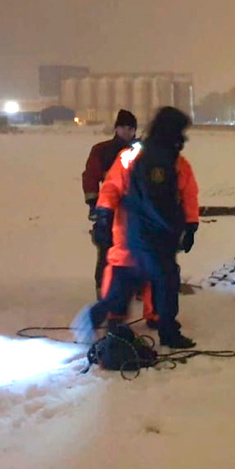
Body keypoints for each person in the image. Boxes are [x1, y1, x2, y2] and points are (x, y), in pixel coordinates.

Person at [72, 107, 198, 348]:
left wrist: (104, 214)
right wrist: (190, 225)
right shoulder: (172, 161)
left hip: (132, 233)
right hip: (155, 235)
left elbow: (111, 187)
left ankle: (98, 318)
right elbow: (188, 194)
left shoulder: (134, 156)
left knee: (128, 280)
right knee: (164, 280)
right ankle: (166, 331)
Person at [82, 109, 138, 298]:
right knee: (107, 248)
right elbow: (90, 176)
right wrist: (93, 203)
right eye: (123, 127)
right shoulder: (102, 150)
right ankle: (103, 289)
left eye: (130, 128)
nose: (127, 132)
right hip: (110, 208)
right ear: (116, 128)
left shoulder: (142, 151)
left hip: (136, 209)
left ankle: (136, 287)